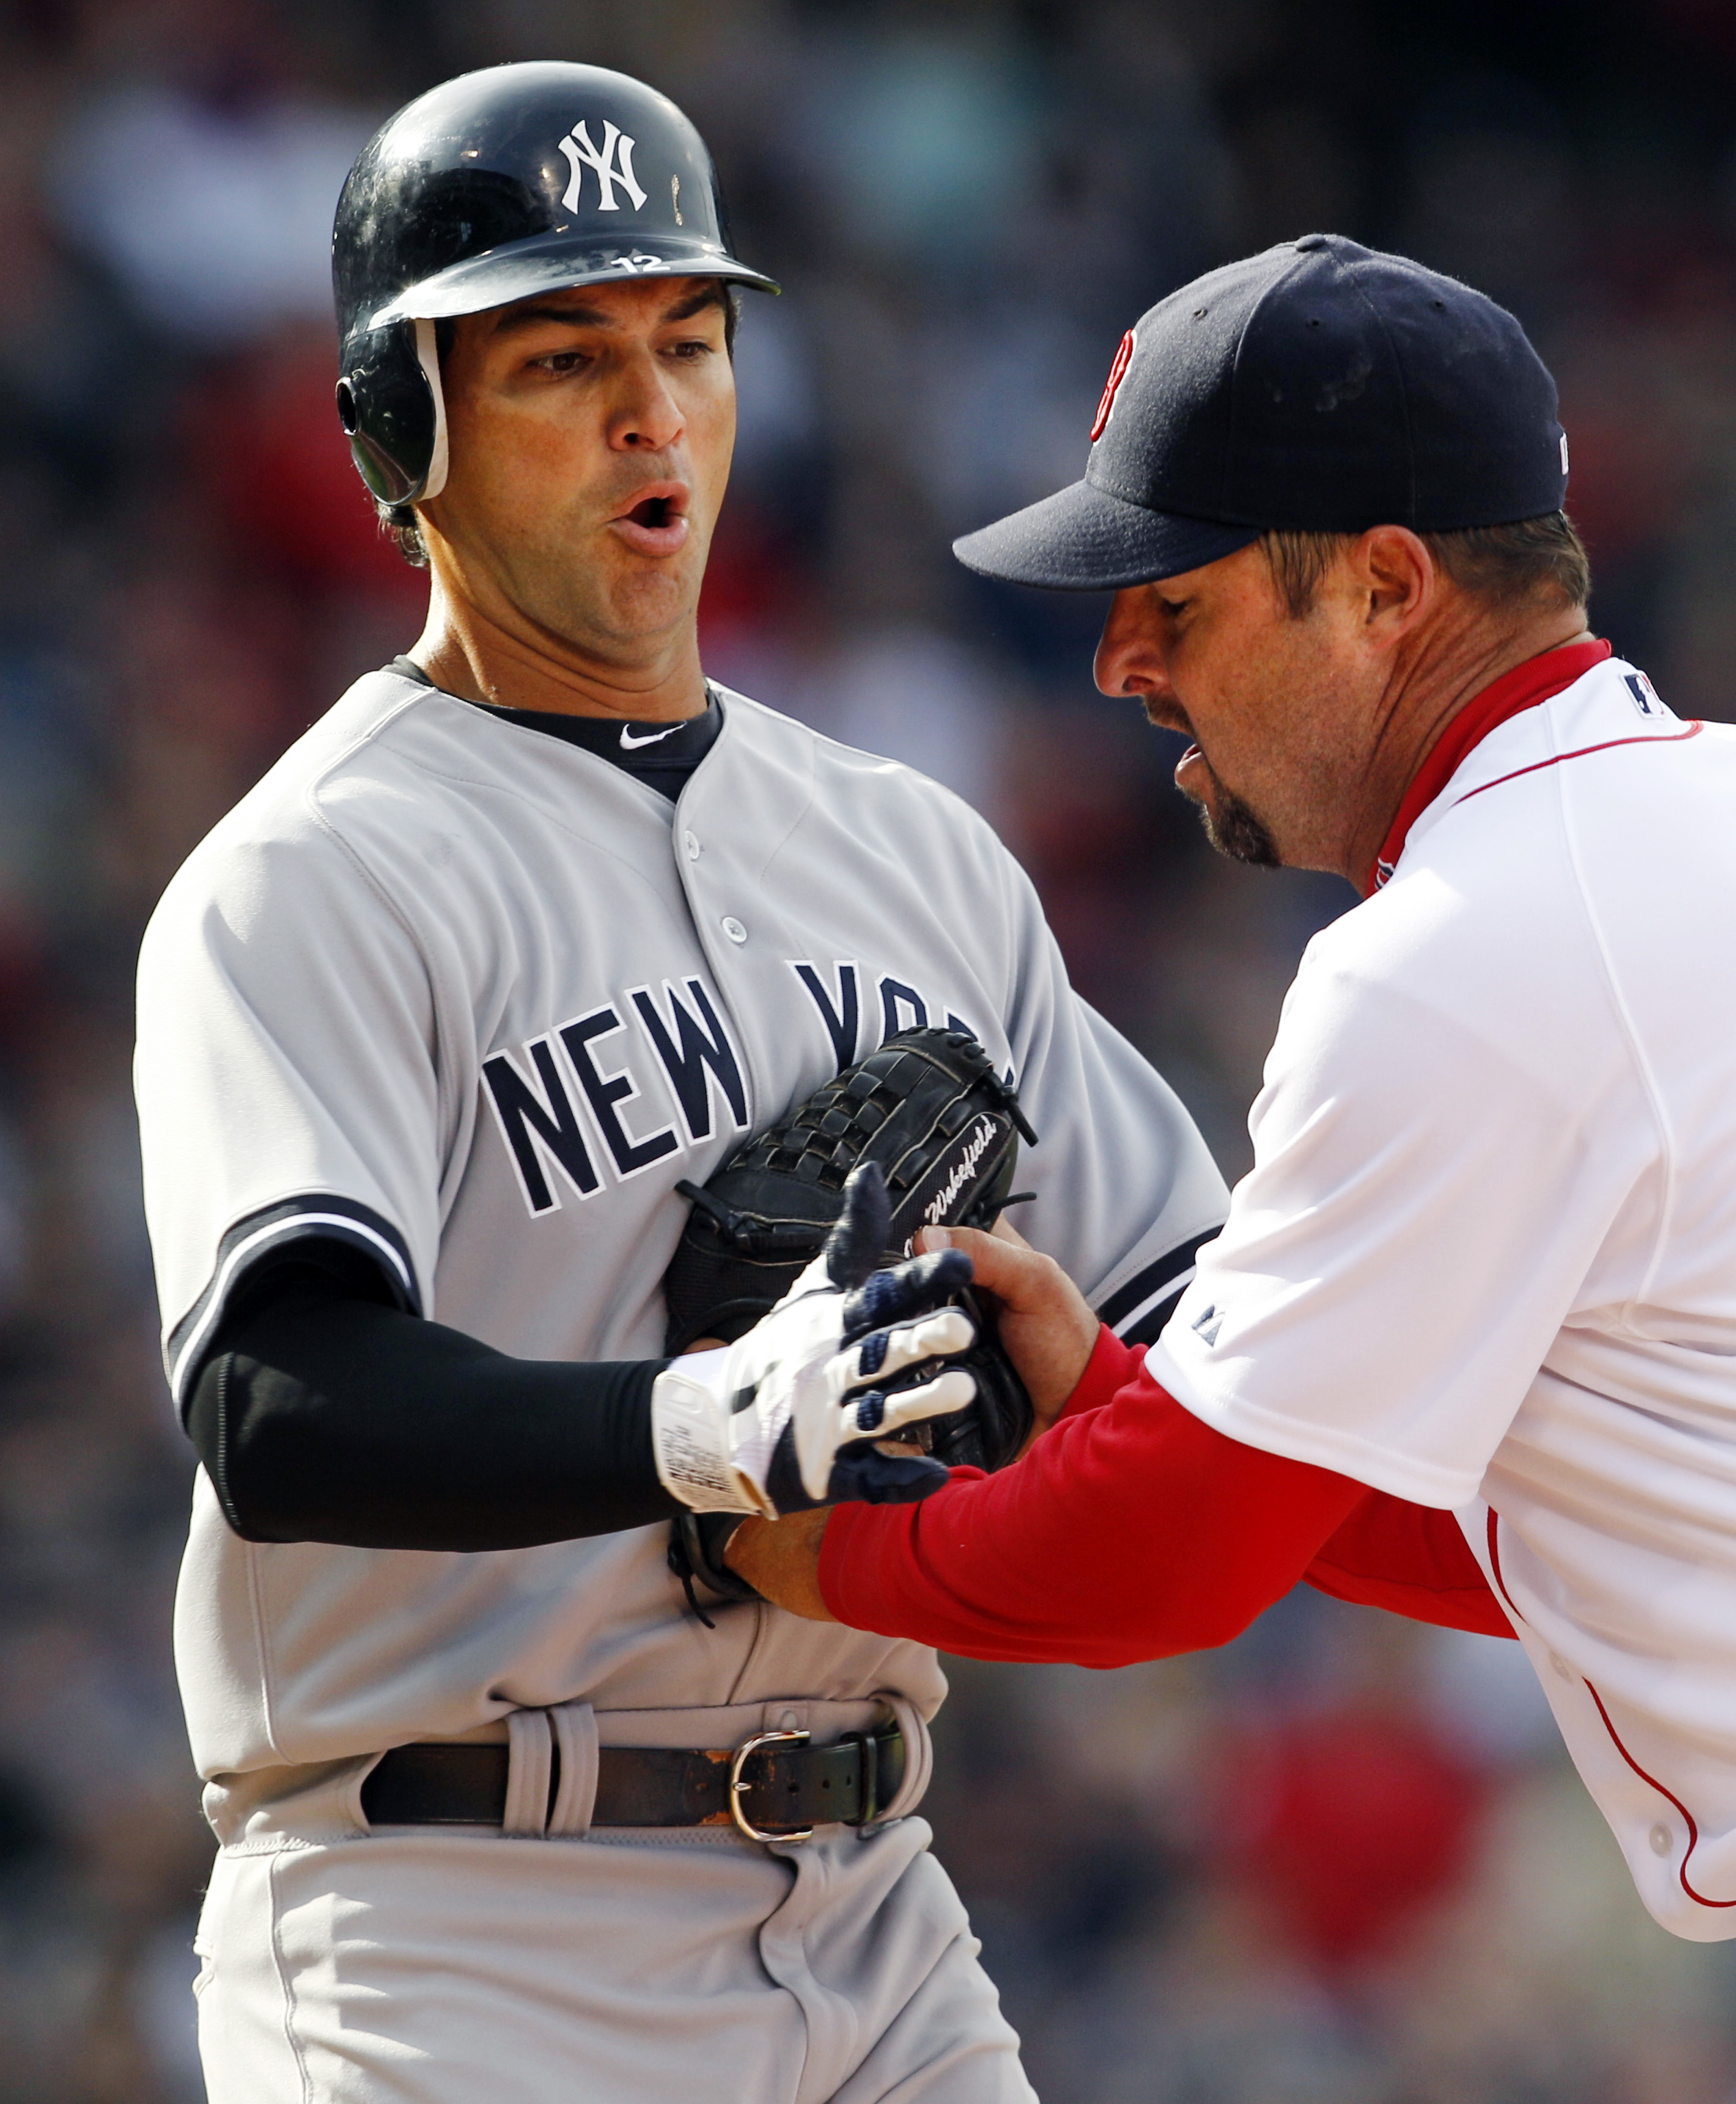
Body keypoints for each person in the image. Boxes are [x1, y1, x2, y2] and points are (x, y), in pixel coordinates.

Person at [735, 235, 1736, 2103]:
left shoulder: (1474, 937)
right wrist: (1123, 1398)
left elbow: (1163, 1566)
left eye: (1179, 588)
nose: (1121, 654)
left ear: (1388, 586)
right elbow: (1599, 1534)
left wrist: (772, 1532)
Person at [132, 62, 1228, 2104]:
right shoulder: (309, 877)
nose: (656, 413)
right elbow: (278, 1399)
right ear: (404, 430)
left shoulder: (914, 846)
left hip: (876, 1902)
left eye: (690, 340)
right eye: (564, 356)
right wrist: (706, 1420)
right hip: (458, 1917)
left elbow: (1210, 1330)